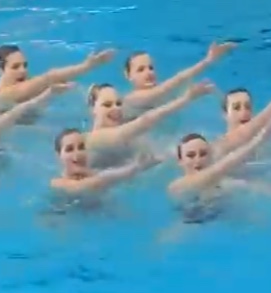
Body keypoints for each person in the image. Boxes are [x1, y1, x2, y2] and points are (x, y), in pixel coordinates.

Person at [167, 112, 271, 224]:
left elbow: (255, 187)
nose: (198, 159)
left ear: (210, 156)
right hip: (189, 226)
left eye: (203, 154)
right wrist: (260, 138)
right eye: (190, 155)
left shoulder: (223, 183)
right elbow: (223, 166)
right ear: (180, 161)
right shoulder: (178, 186)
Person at [84, 80, 215, 168]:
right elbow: (145, 121)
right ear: (92, 110)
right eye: (107, 105)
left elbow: (155, 156)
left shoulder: (127, 135)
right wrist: (185, 99)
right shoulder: (94, 139)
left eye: (118, 103)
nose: (116, 109)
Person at [45, 128, 162, 217]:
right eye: (69, 149)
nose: (77, 153)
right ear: (58, 155)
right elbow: (85, 186)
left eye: (81, 147)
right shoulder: (57, 183)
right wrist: (133, 168)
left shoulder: (95, 173)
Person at [0, 44, 116, 125]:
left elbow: (55, 80)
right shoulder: (4, 95)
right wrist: (87, 66)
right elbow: (50, 77)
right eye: (15, 67)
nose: (23, 70)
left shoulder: (27, 85)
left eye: (25, 65)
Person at [122, 41, 236, 118]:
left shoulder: (162, 92)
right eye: (140, 70)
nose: (148, 73)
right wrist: (207, 61)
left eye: (151, 68)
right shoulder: (133, 98)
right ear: (128, 75)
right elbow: (178, 79)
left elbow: (183, 81)